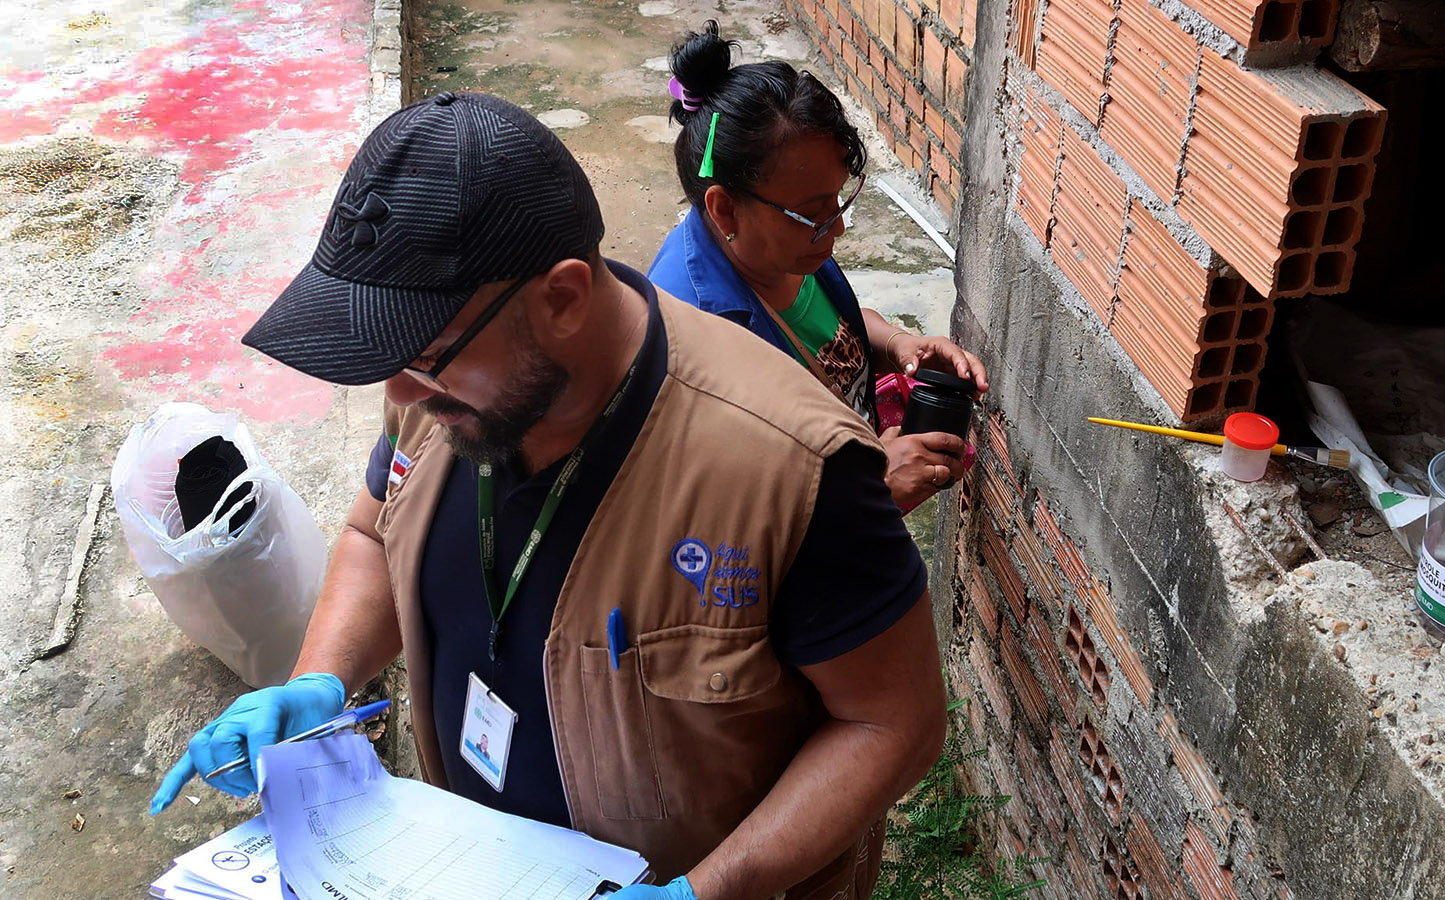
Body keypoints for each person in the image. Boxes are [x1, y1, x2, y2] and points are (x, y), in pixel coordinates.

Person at [149, 91, 945, 900]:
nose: (397, 388)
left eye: (425, 357)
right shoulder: (444, 388)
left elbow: (893, 725)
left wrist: (706, 892)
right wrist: (318, 681)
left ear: (563, 298)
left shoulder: (795, 467)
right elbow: (374, 532)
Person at [648, 21, 988, 512]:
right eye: (812, 214)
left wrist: (896, 343)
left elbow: (817, 323)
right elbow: (725, 531)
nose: (838, 230)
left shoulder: (773, 250)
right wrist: (872, 493)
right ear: (725, 210)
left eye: (839, 202)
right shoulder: (693, 350)